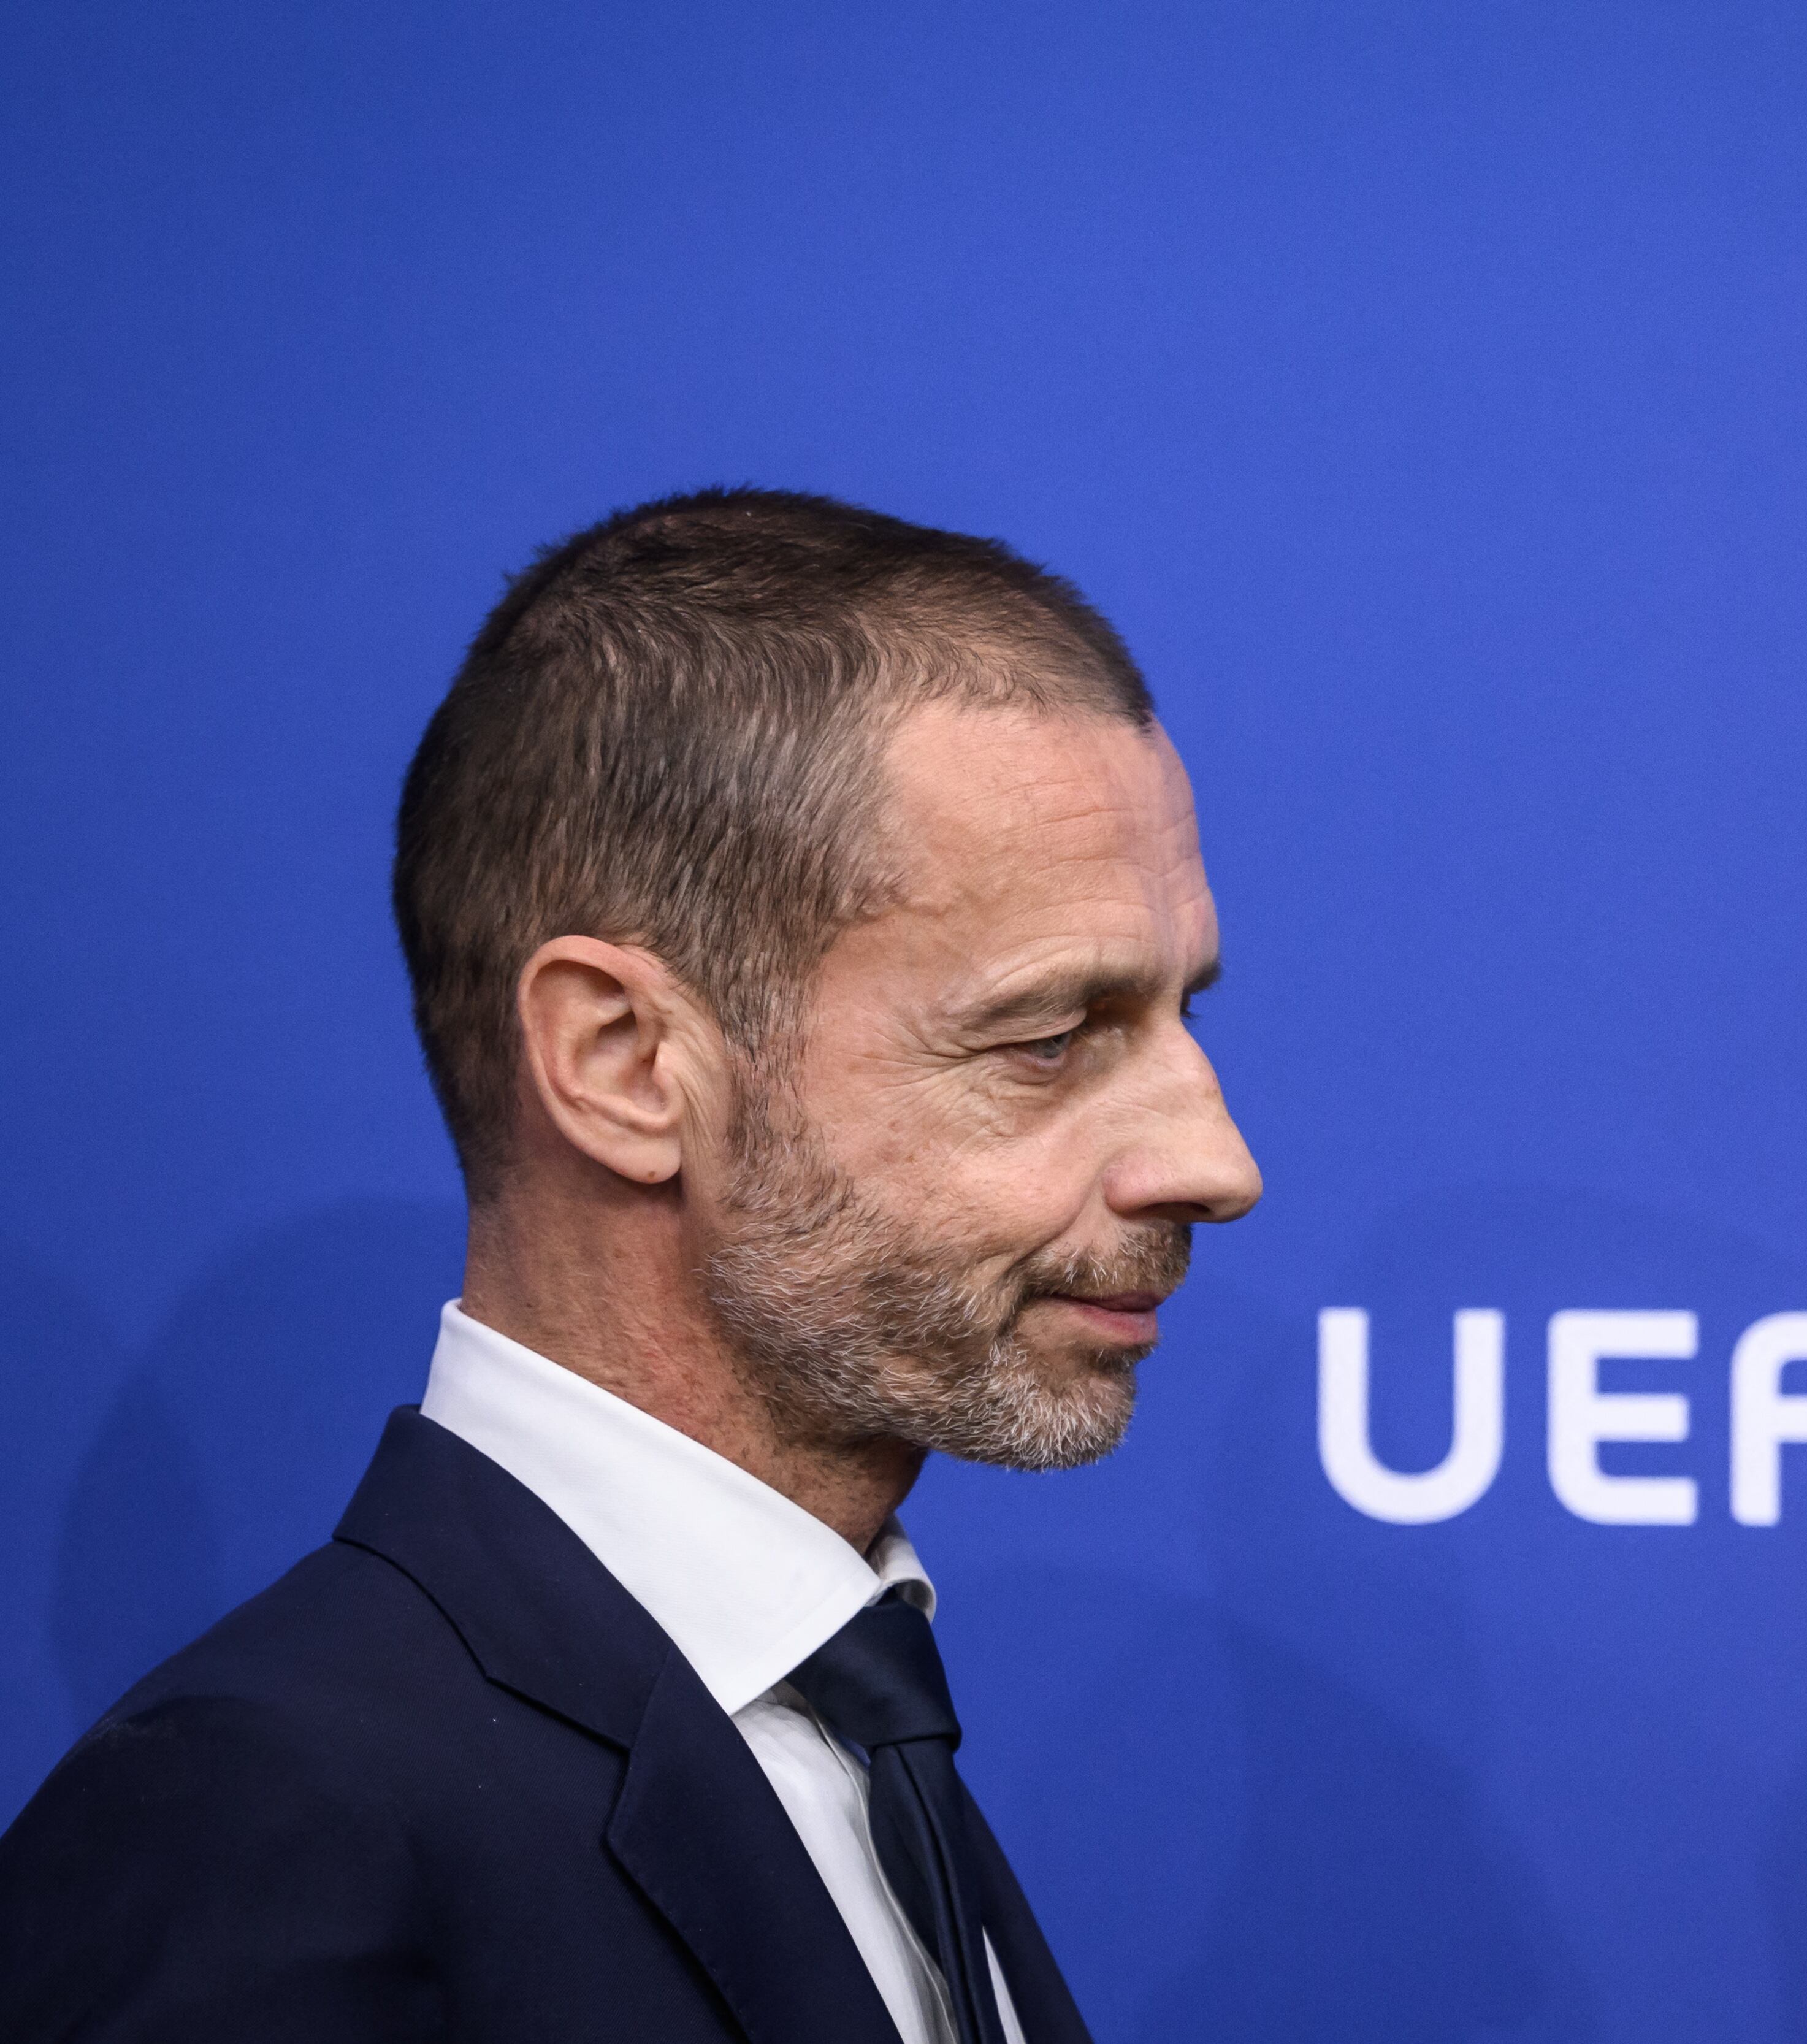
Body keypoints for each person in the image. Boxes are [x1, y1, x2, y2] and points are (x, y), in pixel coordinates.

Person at [0, 489, 1263, 2042]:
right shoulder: (264, 1825)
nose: (1217, 1160)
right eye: (1050, 1036)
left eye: (1183, 1013)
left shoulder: (858, 1732)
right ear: (624, 1064)